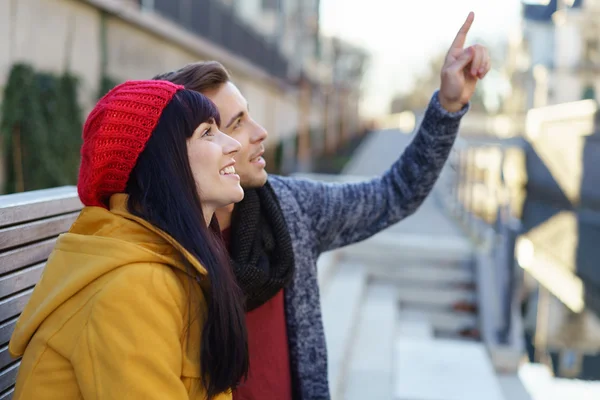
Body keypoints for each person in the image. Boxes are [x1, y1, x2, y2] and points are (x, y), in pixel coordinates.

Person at [155, 12, 490, 400]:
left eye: (250, 115)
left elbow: (395, 193)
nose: (260, 132)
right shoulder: (162, 248)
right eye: (236, 124)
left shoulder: (291, 209)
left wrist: (447, 107)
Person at [9, 80, 250, 399]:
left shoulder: (175, 263)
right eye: (207, 132)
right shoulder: (132, 285)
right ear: (162, 161)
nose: (232, 144)